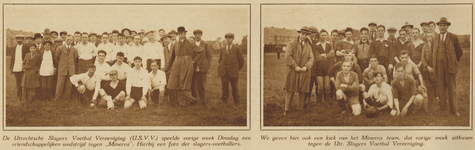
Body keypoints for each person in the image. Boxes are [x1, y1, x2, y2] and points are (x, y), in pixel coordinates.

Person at [163, 26, 205, 107]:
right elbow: (171, 57)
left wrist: (194, 60)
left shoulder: (190, 43)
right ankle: (182, 102)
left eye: (182, 33)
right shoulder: (175, 44)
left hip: (186, 65)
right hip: (176, 64)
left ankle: (187, 102)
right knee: (171, 85)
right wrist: (166, 68)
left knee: (184, 85)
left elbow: (202, 51)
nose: (180, 35)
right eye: (179, 34)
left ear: (185, 33)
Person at [433, 17, 463, 117]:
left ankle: (454, 110)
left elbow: (459, 52)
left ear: (447, 26)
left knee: (452, 88)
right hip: (439, 66)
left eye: (444, 25)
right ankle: (443, 108)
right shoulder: (435, 38)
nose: (442, 27)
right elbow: (434, 51)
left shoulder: (453, 37)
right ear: (438, 27)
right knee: (441, 87)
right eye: (440, 25)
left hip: (450, 66)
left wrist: (453, 62)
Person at [283, 26, 314, 115]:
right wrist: (295, 66)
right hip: (292, 71)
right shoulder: (291, 44)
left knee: (303, 90)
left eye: (306, 34)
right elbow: (288, 57)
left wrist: (306, 67)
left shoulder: (308, 46)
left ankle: (300, 109)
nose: (304, 36)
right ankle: (287, 109)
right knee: (290, 90)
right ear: (299, 33)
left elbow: (311, 58)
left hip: (304, 71)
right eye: (303, 34)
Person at [191, 29, 212, 107]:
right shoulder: (192, 44)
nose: (197, 36)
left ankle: (203, 100)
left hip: (202, 67)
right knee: (194, 85)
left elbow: (209, 56)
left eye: (199, 34)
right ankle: (194, 100)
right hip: (193, 67)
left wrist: (207, 67)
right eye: (196, 34)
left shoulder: (205, 44)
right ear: (194, 35)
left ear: (201, 35)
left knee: (202, 85)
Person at [54, 35, 78, 101]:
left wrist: (71, 65)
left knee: (69, 85)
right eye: (68, 39)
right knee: (60, 84)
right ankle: (57, 98)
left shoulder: (74, 49)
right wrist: (62, 64)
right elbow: (56, 58)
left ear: (72, 41)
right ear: (65, 40)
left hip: (71, 69)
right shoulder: (60, 48)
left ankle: (66, 99)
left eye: (70, 39)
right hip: (62, 69)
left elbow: (75, 59)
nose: (69, 41)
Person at [315, 29, 334, 102]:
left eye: (325, 35)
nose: (324, 37)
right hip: (319, 68)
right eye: (322, 35)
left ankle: (327, 101)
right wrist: (327, 56)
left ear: (327, 35)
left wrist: (324, 55)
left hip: (327, 67)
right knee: (320, 86)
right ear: (320, 35)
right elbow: (316, 57)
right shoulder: (317, 45)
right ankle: (319, 102)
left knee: (327, 86)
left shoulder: (330, 44)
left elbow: (332, 55)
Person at [421, 32, 437, 112]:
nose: (430, 38)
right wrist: (428, 67)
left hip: (436, 70)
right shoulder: (425, 46)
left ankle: (437, 103)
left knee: (437, 86)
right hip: (427, 70)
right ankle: (428, 105)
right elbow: (423, 58)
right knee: (429, 87)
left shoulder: (437, 46)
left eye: (431, 36)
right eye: (428, 36)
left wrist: (434, 68)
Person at [10, 34, 28, 99]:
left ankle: (25, 95)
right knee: (18, 82)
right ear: (16, 40)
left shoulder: (26, 47)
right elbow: (12, 58)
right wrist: (11, 68)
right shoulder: (14, 47)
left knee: (24, 82)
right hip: (16, 67)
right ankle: (19, 95)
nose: (19, 40)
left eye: (20, 39)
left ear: (23, 40)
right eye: (18, 39)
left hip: (23, 67)